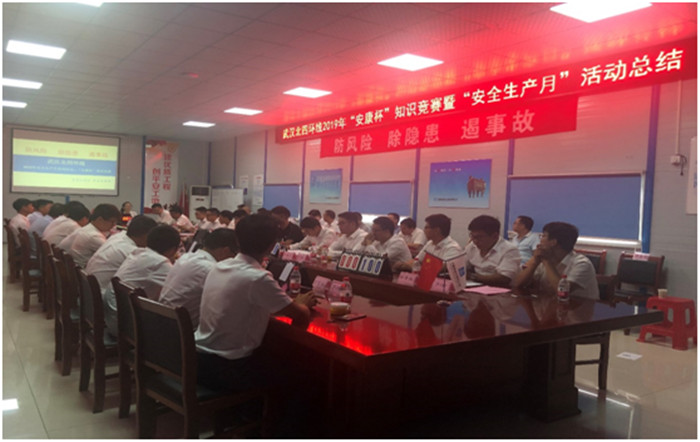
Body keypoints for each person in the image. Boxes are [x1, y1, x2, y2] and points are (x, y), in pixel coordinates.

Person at [194, 214, 316, 399]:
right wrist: (302, 304)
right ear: (272, 245)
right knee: (302, 371)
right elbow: (300, 315)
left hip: (198, 360)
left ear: (237, 240)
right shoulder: (257, 277)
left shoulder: (219, 266)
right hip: (229, 369)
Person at [103, 225, 180, 337]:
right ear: (173, 250)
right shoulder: (160, 263)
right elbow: (177, 290)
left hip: (115, 319)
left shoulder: (138, 253)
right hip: (128, 326)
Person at [160, 228, 239, 328]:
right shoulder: (210, 269)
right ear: (225, 251)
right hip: (180, 329)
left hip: (164, 319)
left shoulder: (186, 257)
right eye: (235, 255)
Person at [513, 222, 599, 300]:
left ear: (553, 242)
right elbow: (516, 284)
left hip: (576, 310)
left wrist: (546, 261)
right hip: (548, 307)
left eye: (543, 236)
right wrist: (535, 261)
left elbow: (562, 292)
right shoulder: (543, 260)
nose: (540, 240)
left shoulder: (581, 264)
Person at [85, 215, 157, 294]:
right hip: (101, 294)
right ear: (146, 236)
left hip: (90, 289)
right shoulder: (132, 251)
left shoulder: (118, 236)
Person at [463, 215, 521, 287]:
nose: (475, 241)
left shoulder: (510, 250)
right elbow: (461, 266)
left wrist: (472, 276)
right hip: (477, 286)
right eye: (472, 236)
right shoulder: (472, 246)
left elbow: (504, 278)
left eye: (479, 237)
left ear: (495, 236)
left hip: (502, 289)